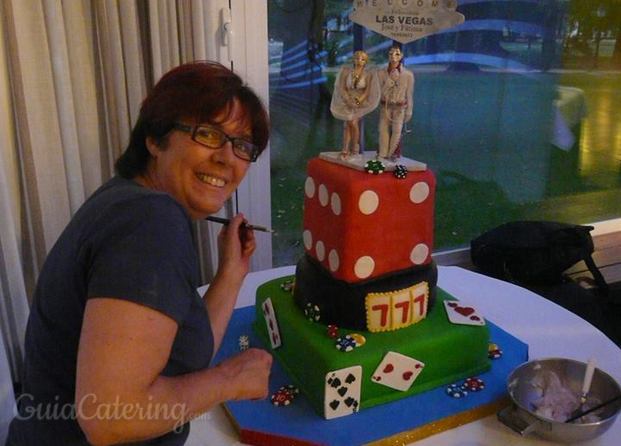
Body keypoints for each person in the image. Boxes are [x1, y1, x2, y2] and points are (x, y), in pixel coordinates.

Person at [6, 62, 273, 445]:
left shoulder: (125, 200)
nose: (227, 158)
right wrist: (229, 380)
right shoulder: (150, 221)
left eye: (243, 146)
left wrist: (231, 274)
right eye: (208, 133)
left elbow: (182, 361)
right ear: (154, 138)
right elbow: (109, 418)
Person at [330, 50, 380, 159]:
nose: (359, 61)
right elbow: (341, 87)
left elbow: (367, 91)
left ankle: (354, 147)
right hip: (347, 101)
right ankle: (345, 148)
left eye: (362, 59)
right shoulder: (346, 71)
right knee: (347, 125)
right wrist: (348, 100)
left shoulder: (368, 74)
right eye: (357, 58)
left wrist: (358, 101)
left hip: (360, 102)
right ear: (353, 59)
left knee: (352, 122)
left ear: (366, 61)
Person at [376, 45, 414, 161]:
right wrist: (389, 81)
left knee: (397, 130)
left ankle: (390, 153)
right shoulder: (381, 73)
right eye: (391, 54)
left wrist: (409, 110)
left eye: (397, 54)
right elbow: (378, 91)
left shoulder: (408, 75)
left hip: (399, 108)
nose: (393, 57)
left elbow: (409, 94)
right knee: (383, 129)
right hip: (385, 106)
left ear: (401, 56)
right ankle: (382, 153)